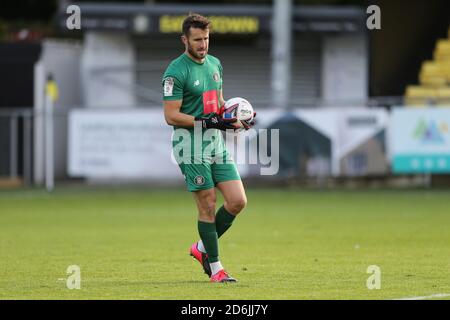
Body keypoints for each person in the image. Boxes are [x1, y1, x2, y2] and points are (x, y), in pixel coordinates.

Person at [162, 13, 255, 283]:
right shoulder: (175, 72)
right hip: (189, 147)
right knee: (208, 204)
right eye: (197, 40)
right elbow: (171, 116)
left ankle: (202, 248)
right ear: (185, 40)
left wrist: (235, 119)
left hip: (215, 143)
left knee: (238, 201)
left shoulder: (215, 64)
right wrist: (208, 120)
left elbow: (220, 102)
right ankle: (216, 269)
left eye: (206, 39)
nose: (203, 44)